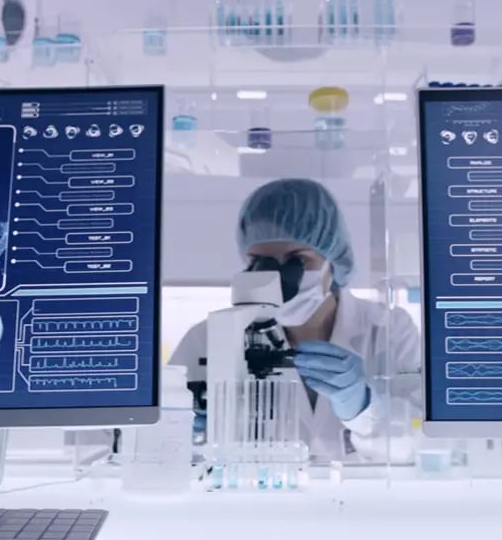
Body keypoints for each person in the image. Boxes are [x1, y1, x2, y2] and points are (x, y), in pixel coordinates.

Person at [170, 178, 422, 462]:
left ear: (333, 261)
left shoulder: (388, 329)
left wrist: (363, 409)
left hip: (361, 500)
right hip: (257, 501)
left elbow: (422, 445)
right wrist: (182, 428)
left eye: (298, 261)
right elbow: (145, 441)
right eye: (260, 262)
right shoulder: (209, 339)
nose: (278, 277)